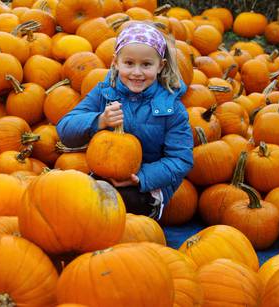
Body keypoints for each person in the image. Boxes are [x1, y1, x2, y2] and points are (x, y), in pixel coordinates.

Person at [56, 22, 194, 220]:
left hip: (146, 188)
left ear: (160, 66)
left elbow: (181, 160)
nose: (137, 72)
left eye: (146, 64)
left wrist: (141, 178)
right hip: (104, 175)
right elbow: (65, 129)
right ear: (115, 62)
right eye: (129, 63)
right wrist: (99, 120)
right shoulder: (105, 92)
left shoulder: (171, 108)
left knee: (116, 207)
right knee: (70, 197)